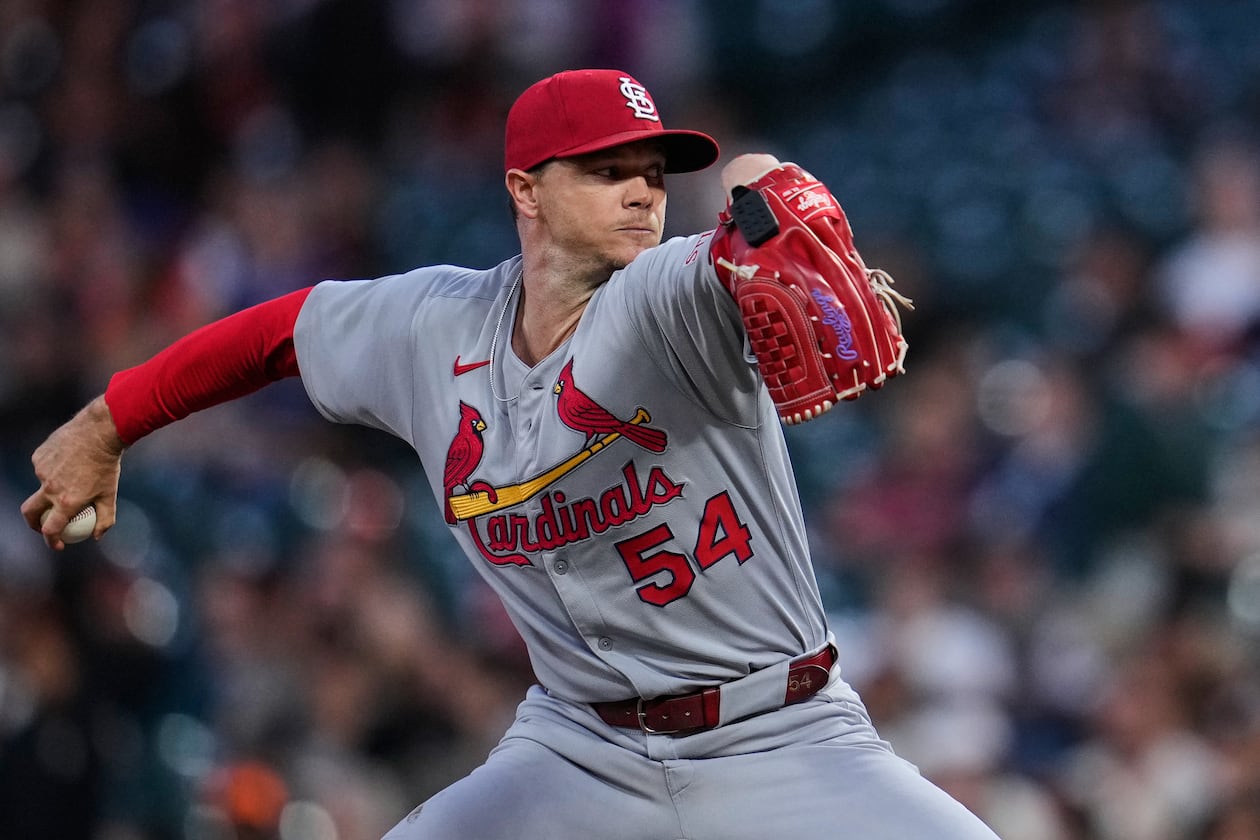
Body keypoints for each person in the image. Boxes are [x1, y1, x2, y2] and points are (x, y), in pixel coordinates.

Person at [23, 68, 1001, 839]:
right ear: (525, 190)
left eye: (654, 174)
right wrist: (110, 422)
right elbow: (278, 334)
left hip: (779, 734)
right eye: (608, 170)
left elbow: (751, 192)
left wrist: (761, 193)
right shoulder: (428, 326)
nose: (641, 196)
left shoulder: (664, 296)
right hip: (581, 751)